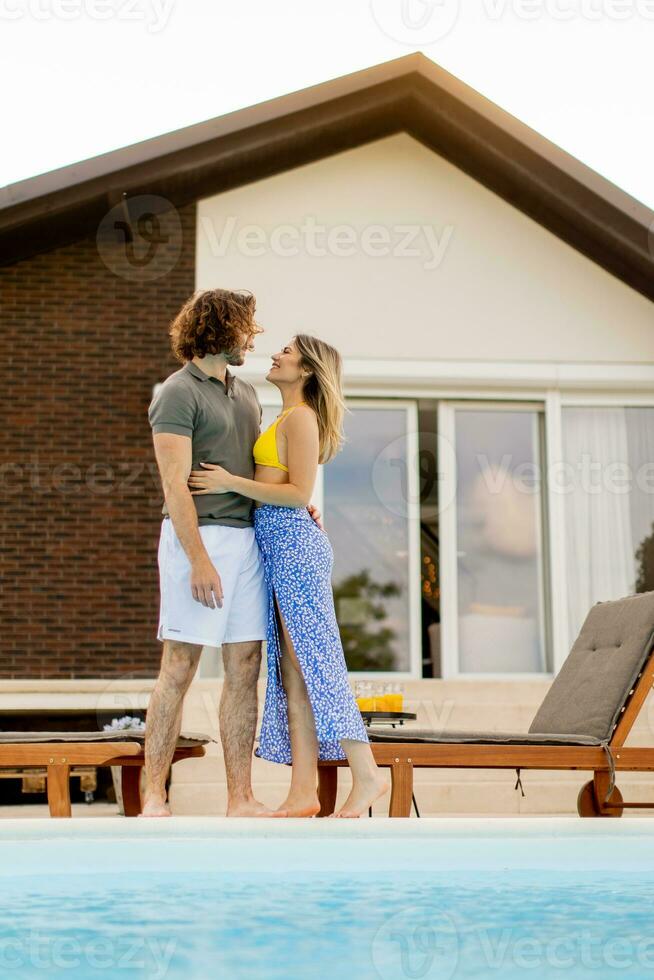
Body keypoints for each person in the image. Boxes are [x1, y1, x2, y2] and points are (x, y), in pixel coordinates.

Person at [189, 335, 389, 817]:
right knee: (293, 673)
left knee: (315, 662)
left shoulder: (301, 418)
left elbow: (298, 493)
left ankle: (367, 776)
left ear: (306, 369)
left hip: (295, 545)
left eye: (287, 351)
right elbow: (286, 487)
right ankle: (304, 792)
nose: (276, 354)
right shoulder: (281, 417)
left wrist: (228, 482)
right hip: (277, 544)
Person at [143, 288, 321, 818]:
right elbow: (175, 486)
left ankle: (240, 796)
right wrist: (197, 557)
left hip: (249, 541)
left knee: (245, 665)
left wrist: (297, 505)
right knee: (179, 666)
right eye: (246, 327)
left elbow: (260, 472)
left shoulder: (245, 392)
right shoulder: (177, 392)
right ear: (221, 328)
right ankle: (155, 793)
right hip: (196, 539)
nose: (253, 337)